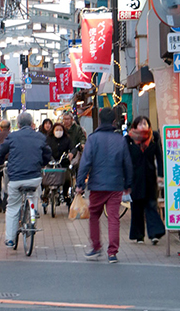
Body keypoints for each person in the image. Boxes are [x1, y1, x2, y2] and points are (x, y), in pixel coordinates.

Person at [76, 108, 132, 264]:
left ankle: (96, 247)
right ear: (114, 121)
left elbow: (85, 162)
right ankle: (112, 252)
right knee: (114, 218)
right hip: (116, 185)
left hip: (97, 185)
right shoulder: (120, 139)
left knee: (94, 215)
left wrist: (80, 183)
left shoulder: (93, 139)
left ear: (99, 120)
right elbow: (127, 163)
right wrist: (128, 183)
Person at [0, 112, 51, 248]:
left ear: (18, 124)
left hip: (16, 178)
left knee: (13, 207)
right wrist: (42, 163)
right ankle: (33, 212)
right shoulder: (40, 137)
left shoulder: (13, 136)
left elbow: (0, 151)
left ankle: (10, 239)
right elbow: (47, 153)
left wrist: (0, 162)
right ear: (32, 124)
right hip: (34, 177)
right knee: (33, 193)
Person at [126, 116, 165, 245]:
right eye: (141, 124)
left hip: (149, 177)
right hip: (135, 178)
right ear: (135, 126)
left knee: (151, 205)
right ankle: (139, 236)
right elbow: (125, 160)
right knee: (136, 207)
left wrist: (160, 174)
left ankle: (155, 233)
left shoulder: (153, 138)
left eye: (146, 123)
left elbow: (159, 157)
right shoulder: (129, 139)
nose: (143, 126)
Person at [45, 122, 72, 202]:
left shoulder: (67, 139)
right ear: (53, 130)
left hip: (63, 162)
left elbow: (72, 147)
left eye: (60, 130)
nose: (58, 131)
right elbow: (44, 148)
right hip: (51, 162)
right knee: (46, 178)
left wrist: (71, 153)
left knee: (67, 178)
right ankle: (45, 195)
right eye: (57, 130)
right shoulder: (49, 139)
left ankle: (65, 194)